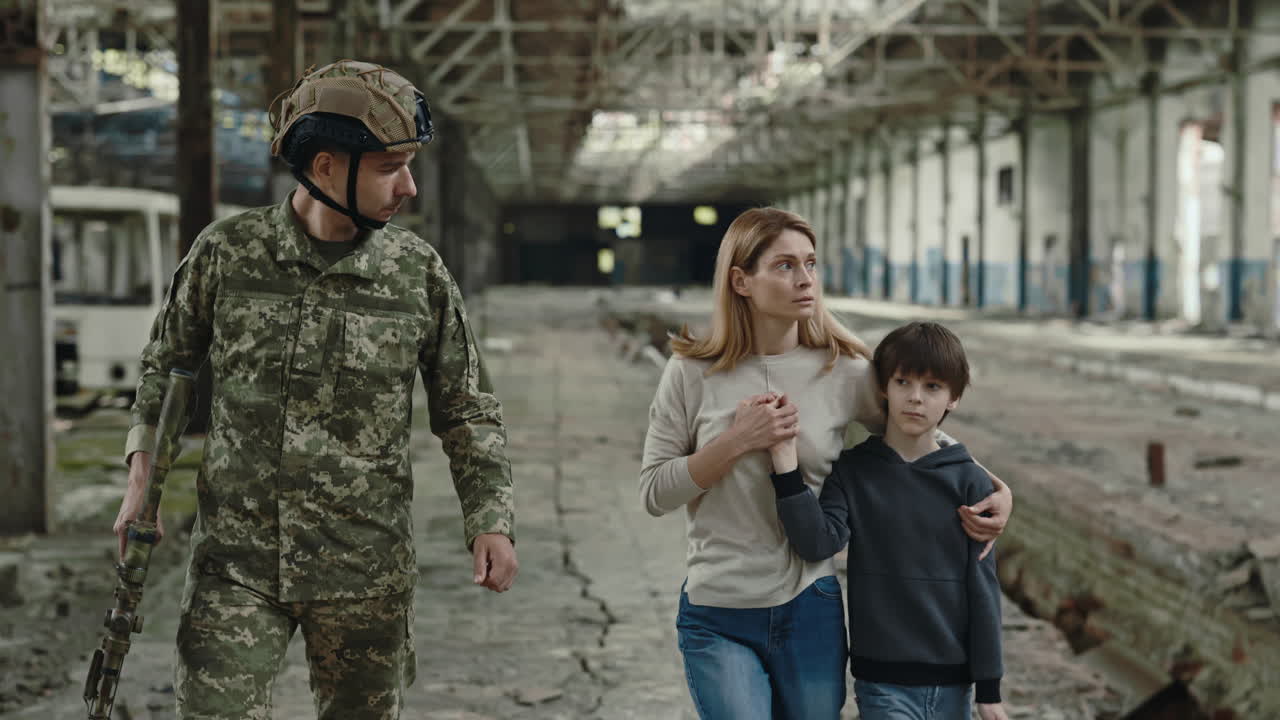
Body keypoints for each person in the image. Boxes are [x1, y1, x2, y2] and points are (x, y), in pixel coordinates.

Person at [111, 60, 517, 720]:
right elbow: (168, 370)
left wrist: (490, 520)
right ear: (325, 167)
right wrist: (141, 483)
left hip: (365, 570)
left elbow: (467, 407)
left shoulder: (417, 275)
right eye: (390, 166)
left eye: (410, 163)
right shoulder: (227, 254)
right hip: (236, 564)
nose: (409, 186)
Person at [639, 207, 1012, 720]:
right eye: (785, 266)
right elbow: (655, 492)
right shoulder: (690, 372)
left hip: (809, 607)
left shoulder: (846, 372)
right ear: (741, 281)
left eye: (811, 264)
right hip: (718, 608)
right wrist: (735, 442)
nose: (805, 279)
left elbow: (914, 438)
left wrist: (994, 486)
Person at [769, 321, 1007, 720]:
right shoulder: (854, 471)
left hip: (954, 683)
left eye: (932, 387)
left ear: (954, 399)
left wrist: (989, 688)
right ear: (883, 387)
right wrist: (786, 471)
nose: (915, 398)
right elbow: (817, 543)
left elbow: (983, 590)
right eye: (903, 382)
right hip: (882, 680)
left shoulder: (970, 482)